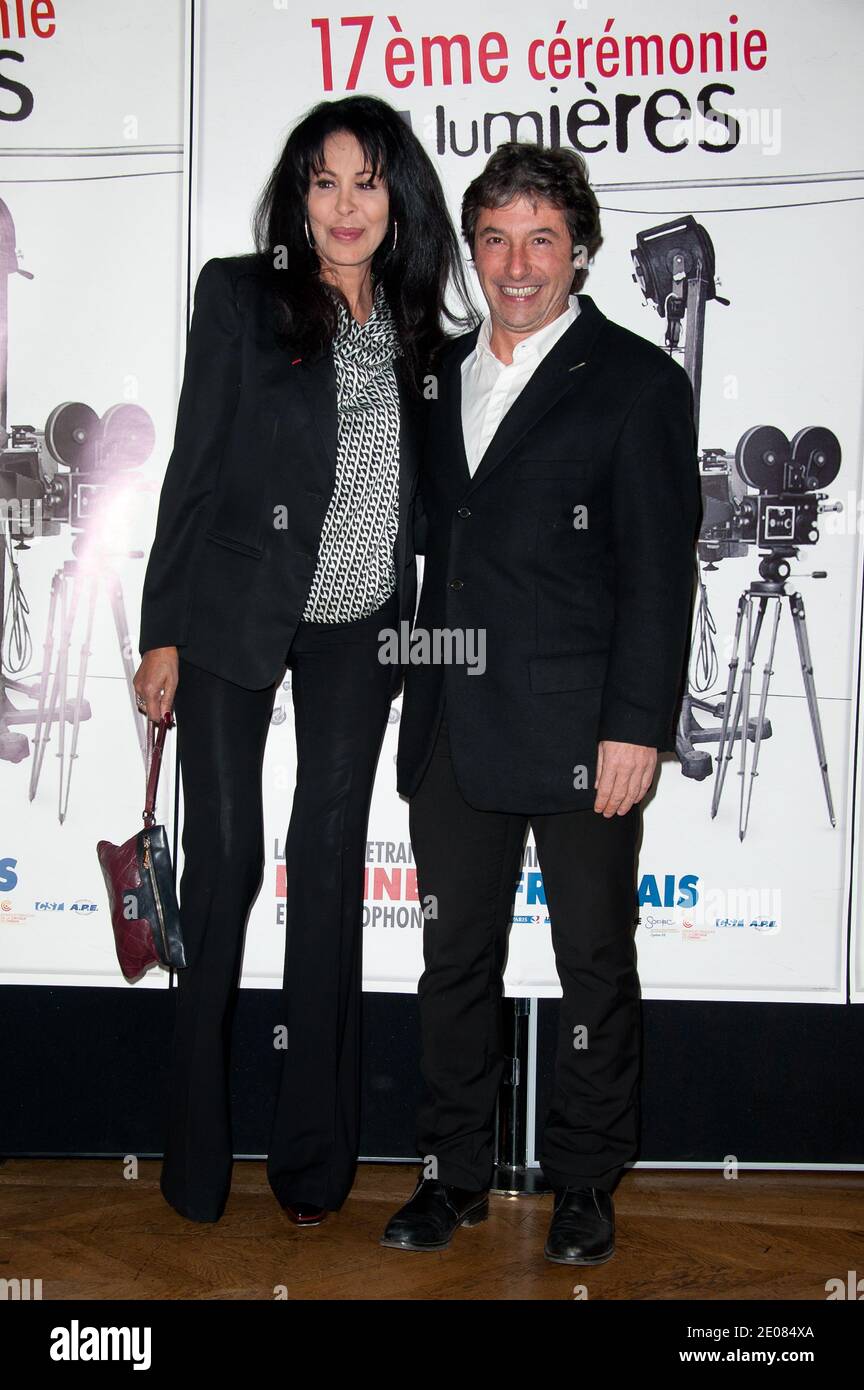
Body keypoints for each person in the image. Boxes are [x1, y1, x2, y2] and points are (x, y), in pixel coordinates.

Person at [133, 95, 475, 1225]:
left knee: (324, 866)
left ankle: (313, 1164)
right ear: (298, 195)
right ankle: (192, 1159)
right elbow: (194, 460)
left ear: (396, 197)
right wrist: (162, 627)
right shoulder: (240, 295)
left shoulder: (421, 324)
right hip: (234, 608)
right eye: (323, 182)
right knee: (225, 864)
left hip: (362, 623)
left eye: (366, 182)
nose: (344, 205)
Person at [381, 141, 702, 1263]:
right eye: (497, 239)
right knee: (452, 964)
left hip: (583, 732)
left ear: (581, 250)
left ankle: (583, 1182)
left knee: (594, 965)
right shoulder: (432, 377)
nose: (518, 264)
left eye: (543, 240)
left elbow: (662, 572)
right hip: (453, 727)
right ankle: (454, 1173)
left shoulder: (638, 382)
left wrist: (635, 725)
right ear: (472, 249)